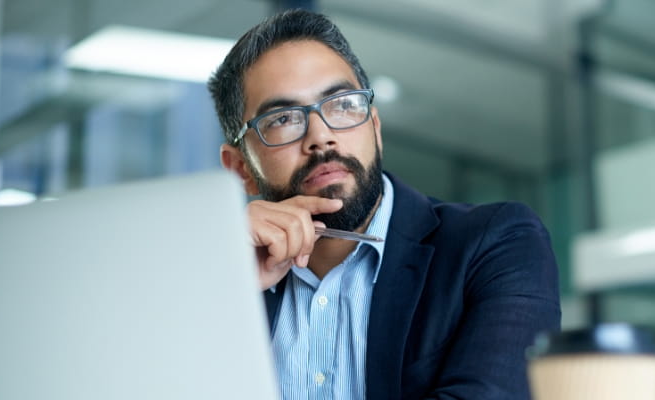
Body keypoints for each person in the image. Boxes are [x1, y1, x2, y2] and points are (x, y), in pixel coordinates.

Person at [208, 9, 561, 400]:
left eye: (342, 104)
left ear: (374, 128)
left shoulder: (497, 244)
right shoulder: (217, 285)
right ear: (241, 169)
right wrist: (222, 287)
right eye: (284, 118)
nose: (322, 137)